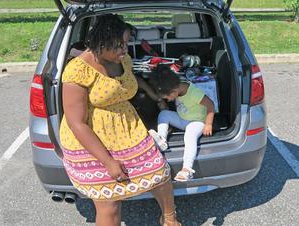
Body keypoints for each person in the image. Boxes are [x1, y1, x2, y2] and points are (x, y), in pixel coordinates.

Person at [59, 14, 181, 226]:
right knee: (110, 203)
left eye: (125, 43)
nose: (124, 50)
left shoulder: (123, 60)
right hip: (91, 139)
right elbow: (76, 123)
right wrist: (108, 162)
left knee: (160, 175)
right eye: (118, 45)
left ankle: (170, 220)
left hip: (127, 130)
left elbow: (133, 83)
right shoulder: (77, 71)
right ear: (99, 43)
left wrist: (156, 97)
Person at [148, 65, 215, 182]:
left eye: (167, 97)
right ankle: (162, 140)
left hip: (197, 122)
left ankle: (187, 169)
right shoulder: (177, 88)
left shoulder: (193, 93)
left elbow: (211, 104)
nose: (167, 100)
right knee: (164, 114)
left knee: (189, 136)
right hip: (182, 118)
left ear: (174, 91)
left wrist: (208, 124)